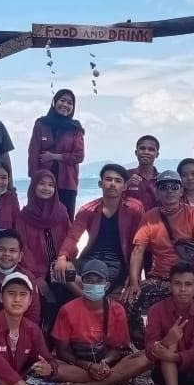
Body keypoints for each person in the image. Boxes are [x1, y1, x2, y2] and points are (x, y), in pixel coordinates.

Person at [127, 170, 194, 337]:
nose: (169, 191)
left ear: (181, 191)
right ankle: (141, 344)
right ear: (157, 192)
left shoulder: (193, 214)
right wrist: (134, 283)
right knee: (130, 300)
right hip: (161, 278)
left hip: (190, 278)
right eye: (164, 187)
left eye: (174, 187)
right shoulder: (149, 217)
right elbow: (138, 250)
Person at [49, 260, 150, 385]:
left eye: (98, 281)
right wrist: (89, 365)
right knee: (53, 369)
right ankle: (112, 379)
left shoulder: (117, 309)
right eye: (89, 280)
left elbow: (120, 349)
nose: (93, 284)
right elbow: (62, 352)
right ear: (82, 282)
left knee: (147, 356)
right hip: (79, 365)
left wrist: (105, 362)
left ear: (106, 285)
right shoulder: (67, 310)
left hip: (108, 364)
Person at [55, 164, 144, 296]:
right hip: (90, 259)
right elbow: (73, 237)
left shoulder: (134, 209)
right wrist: (62, 257)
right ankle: (92, 298)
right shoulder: (88, 209)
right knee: (59, 271)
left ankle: (88, 296)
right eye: (108, 179)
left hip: (117, 263)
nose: (112, 184)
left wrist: (134, 276)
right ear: (100, 184)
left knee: (95, 282)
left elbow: (138, 245)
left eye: (118, 181)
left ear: (125, 186)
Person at [16, 170, 72, 328]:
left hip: (60, 265)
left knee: (67, 297)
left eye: (51, 185)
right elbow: (23, 248)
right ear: (33, 186)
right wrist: (36, 276)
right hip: (35, 270)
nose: (46, 188)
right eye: (41, 183)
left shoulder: (61, 211)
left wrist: (66, 259)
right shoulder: (23, 216)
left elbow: (70, 238)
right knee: (42, 300)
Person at [27, 89, 85, 218]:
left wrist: (54, 156)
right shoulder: (41, 124)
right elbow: (33, 154)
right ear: (54, 102)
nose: (65, 105)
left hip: (67, 182)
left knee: (66, 220)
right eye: (62, 100)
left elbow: (79, 156)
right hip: (43, 183)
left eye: (70, 103)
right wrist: (34, 180)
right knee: (40, 218)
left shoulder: (75, 128)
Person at [126, 134, 160, 210]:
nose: (146, 152)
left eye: (151, 149)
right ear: (136, 152)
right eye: (142, 148)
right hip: (131, 218)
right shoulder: (125, 176)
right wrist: (126, 186)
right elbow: (113, 198)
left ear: (157, 154)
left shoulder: (162, 180)